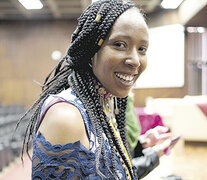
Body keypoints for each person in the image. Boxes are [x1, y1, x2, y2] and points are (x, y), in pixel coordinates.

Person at [17, 0, 173, 179]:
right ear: (90, 49)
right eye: (120, 44)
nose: (135, 60)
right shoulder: (66, 117)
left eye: (142, 48)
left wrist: (142, 147)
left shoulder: (105, 100)